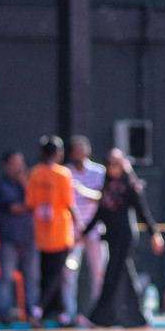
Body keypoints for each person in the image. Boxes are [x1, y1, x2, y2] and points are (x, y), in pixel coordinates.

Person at [85, 149, 164, 327]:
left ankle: (99, 318)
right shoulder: (106, 187)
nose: (113, 167)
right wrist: (84, 233)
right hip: (111, 238)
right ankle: (135, 319)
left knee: (112, 276)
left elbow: (142, 211)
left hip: (125, 238)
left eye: (117, 164)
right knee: (125, 277)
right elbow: (99, 213)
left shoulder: (129, 187)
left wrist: (154, 234)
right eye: (110, 163)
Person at [27, 136, 81, 326]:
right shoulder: (63, 174)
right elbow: (70, 204)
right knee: (56, 274)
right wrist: (79, 226)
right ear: (57, 153)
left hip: (41, 232)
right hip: (60, 232)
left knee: (47, 273)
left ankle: (58, 313)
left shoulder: (34, 174)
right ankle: (39, 309)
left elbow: (31, 203)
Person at [0, 151, 38, 325]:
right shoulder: (3, 186)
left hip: (29, 237)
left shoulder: (29, 183)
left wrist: (25, 184)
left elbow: (34, 203)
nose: (19, 167)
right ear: (6, 165)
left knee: (32, 277)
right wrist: (30, 206)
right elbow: (16, 208)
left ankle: (31, 313)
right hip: (9, 237)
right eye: (14, 163)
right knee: (5, 276)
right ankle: (5, 313)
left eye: (21, 162)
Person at [67, 136, 106, 318]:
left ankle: (99, 313)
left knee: (99, 273)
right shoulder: (65, 172)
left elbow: (101, 197)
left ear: (88, 151)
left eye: (81, 149)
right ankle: (69, 314)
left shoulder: (99, 172)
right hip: (72, 233)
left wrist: (81, 189)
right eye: (75, 150)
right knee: (68, 273)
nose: (78, 153)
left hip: (94, 232)